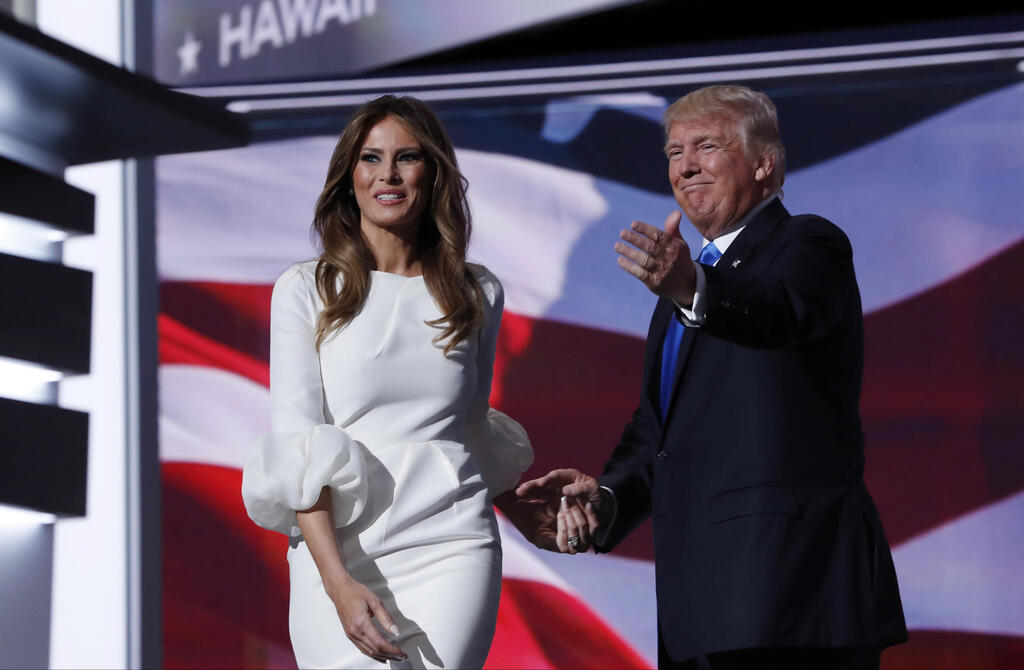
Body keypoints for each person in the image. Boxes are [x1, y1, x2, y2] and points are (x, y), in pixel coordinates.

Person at [517, 85, 908, 669]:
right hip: (701, 607)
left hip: (791, 595)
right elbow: (660, 434)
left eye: (706, 147)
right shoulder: (686, 288)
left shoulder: (806, 244)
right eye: (674, 153)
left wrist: (691, 288)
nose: (685, 166)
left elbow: (780, 312)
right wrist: (606, 498)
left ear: (763, 163)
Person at [241, 95, 535, 669]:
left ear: (434, 173)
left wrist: (520, 507)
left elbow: (469, 427)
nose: (389, 175)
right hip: (339, 551)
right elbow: (298, 451)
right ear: (349, 175)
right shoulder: (306, 289)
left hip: (452, 542)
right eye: (372, 159)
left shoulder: (477, 293)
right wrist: (337, 585)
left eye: (408, 158)